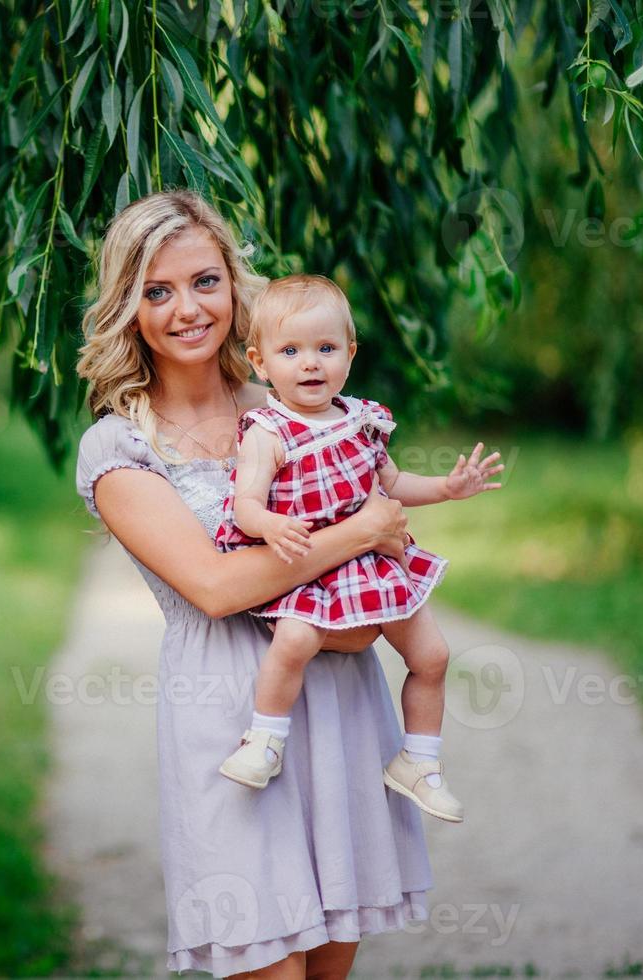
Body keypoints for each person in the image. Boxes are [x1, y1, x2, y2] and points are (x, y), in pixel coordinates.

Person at [75, 191, 432, 979]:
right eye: (156, 291)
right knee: (266, 961)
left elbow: (384, 553)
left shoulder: (296, 404)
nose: (186, 309)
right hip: (227, 721)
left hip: (336, 695)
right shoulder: (118, 448)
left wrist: (378, 551)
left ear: (234, 286)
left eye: (204, 281)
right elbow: (214, 586)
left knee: (331, 962)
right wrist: (360, 532)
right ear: (127, 308)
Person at [214, 274, 503, 824]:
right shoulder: (268, 431)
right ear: (259, 362)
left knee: (433, 656)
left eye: (325, 348)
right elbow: (245, 504)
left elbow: (392, 483)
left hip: (371, 566)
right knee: (294, 639)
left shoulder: (362, 420)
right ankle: (265, 738)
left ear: (349, 354)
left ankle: (420, 761)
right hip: (310, 565)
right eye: (290, 350)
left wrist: (446, 487)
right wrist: (271, 524)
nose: (310, 364)